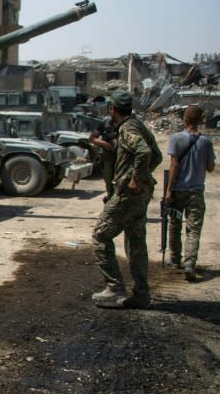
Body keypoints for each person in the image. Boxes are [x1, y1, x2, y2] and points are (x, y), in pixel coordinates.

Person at [91, 90, 162, 309]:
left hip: (128, 195)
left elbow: (143, 152)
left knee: (100, 235)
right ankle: (141, 293)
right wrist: (142, 178)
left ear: (112, 109)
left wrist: (135, 179)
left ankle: (114, 288)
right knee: (136, 242)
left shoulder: (128, 129)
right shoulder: (137, 125)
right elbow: (157, 156)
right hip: (139, 196)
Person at [165, 105, 216, 281]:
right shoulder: (206, 142)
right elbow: (210, 167)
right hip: (196, 191)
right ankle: (189, 263)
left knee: (175, 225)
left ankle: (174, 259)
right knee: (193, 230)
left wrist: (169, 190)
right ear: (200, 121)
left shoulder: (176, 139)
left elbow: (174, 165)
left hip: (178, 190)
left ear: (184, 120)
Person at [88, 116, 116, 201]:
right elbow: (92, 138)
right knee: (109, 179)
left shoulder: (129, 123)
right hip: (108, 158)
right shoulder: (106, 123)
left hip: (125, 159)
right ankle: (111, 196)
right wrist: (104, 144)